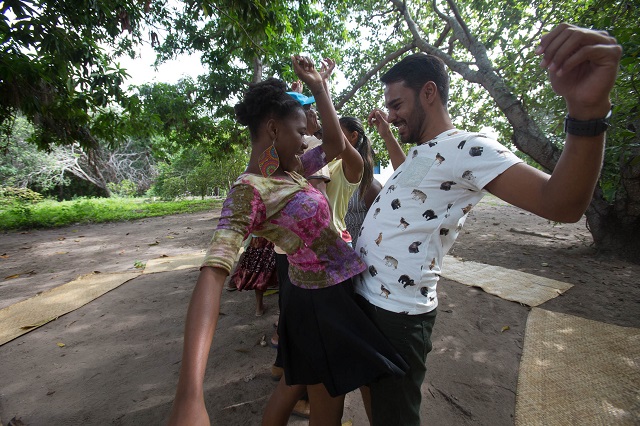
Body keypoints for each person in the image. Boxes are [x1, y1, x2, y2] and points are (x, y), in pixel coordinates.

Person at [353, 23, 622, 426]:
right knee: (375, 397)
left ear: (429, 92)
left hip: (397, 314)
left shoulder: (468, 147)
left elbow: (562, 203)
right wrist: (385, 132)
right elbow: (407, 181)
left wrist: (587, 112)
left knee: (396, 416)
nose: (391, 115)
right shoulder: (424, 153)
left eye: (396, 105)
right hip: (368, 298)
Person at [167, 55, 408, 426]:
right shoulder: (250, 190)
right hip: (320, 303)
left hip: (331, 293)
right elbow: (212, 274)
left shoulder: (289, 170)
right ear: (273, 129)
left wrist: (319, 88)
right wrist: (190, 395)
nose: (305, 140)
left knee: (310, 386)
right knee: (346, 392)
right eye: (299, 132)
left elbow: (335, 143)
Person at [341, 116, 383, 247]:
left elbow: (379, 229)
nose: (331, 138)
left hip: (357, 255)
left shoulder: (370, 187)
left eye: (338, 133)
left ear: (353, 136)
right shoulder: (331, 173)